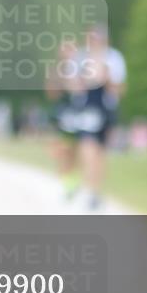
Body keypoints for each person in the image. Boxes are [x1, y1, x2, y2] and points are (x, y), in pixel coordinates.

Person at [47, 24, 127, 210]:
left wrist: (106, 78)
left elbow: (119, 89)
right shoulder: (79, 57)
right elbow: (68, 84)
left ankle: (94, 191)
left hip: (105, 109)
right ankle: (81, 187)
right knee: (84, 147)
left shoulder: (114, 58)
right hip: (84, 109)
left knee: (99, 152)